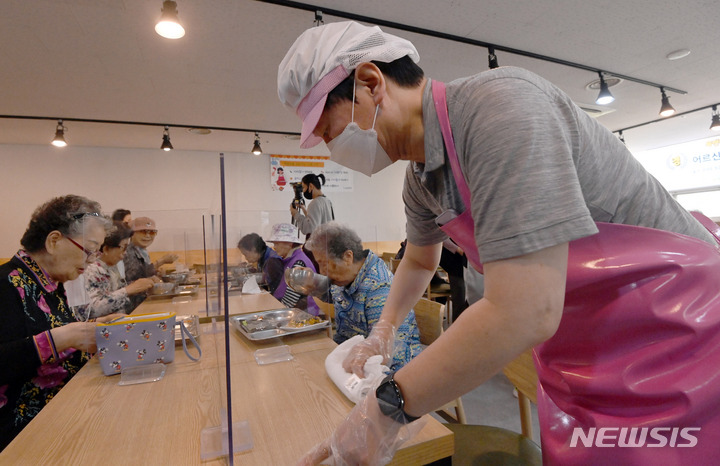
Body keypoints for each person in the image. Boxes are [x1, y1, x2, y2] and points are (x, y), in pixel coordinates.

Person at [278, 21, 720, 465]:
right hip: (587, 351)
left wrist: (386, 409)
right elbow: (418, 259)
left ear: (371, 84)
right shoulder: (420, 179)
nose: (332, 148)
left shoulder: (500, 107)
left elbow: (524, 309)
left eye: (329, 130)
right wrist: (384, 328)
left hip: (676, 329)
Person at [0, 195, 118, 450]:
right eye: (89, 250)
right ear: (54, 241)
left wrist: (96, 326)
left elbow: (56, 332)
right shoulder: (6, 284)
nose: (92, 261)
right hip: (22, 439)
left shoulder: (50, 285)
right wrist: (65, 337)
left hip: (66, 419)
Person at [305, 222, 423, 372]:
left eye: (324, 264)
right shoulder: (347, 276)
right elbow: (337, 297)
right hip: (350, 356)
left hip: (389, 372)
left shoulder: (379, 289)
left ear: (348, 257)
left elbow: (386, 355)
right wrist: (313, 285)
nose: (322, 272)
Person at [83, 223, 159, 318]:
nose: (125, 252)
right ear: (106, 249)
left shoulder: (111, 267)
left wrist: (141, 285)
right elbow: (92, 310)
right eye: (124, 248)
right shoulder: (91, 270)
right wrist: (127, 290)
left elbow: (118, 290)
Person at [124, 217, 178, 311]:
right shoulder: (127, 252)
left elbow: (144, 273)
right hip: (134, 306)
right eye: (143, 232)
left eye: (152, 232)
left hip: (145, 301)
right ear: (132, 234)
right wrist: (161, 261)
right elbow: (132, 279)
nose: (148, 236)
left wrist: (156, 273)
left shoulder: (142, 251)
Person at [266, 223, 319, 315]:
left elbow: (289, 301)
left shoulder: (299, 263)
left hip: (304, 315)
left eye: (277, 243)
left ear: (289, 243)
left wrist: (272, 315)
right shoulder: (292, 259)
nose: (274, 247)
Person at [290, 173, 335, 237]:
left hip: (318, 244)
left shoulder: (315, 203)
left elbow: (308, 229)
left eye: (303, 187)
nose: (302, 191)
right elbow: (316, 221)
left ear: (311, 186)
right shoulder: (327, 201)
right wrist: (304, 209)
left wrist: (296, 214)